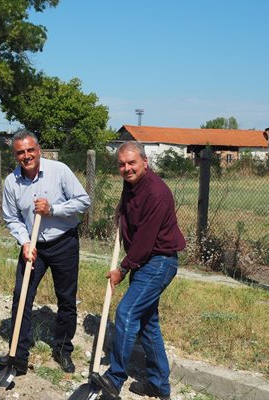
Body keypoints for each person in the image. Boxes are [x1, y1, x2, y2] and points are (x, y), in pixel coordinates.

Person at [90, 141, 186, 400]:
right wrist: (122, 212)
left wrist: (122, 268)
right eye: (121, 164)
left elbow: (144, 241)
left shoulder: (156, 193)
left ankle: (115, 377)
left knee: (127, 312)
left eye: (132, 162)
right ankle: (158, 385)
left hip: (159, 262)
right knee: (147, 324)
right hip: (147, 261)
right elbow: (131, 212)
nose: (127, 168)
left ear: (145, 162)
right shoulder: (131, 185)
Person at [0, 130, 90, 374]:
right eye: (20, 152)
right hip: (33, 246)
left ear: (38, 149)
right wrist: (25, 242)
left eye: (30, 150)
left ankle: (63, 350)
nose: (26, 156)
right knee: (22, 296)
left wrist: (53, 210)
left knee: (66, 299)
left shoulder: (59, 171)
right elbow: (11, 218)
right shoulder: (11, 182)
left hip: (64, 242)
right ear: (15, 155)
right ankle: (18, 353)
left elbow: (83, 201)